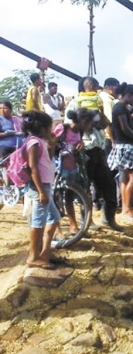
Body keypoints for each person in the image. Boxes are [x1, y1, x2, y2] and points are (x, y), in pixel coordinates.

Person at [22, 111, 62, 268]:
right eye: (49, 127)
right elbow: (33, 168)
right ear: (42, 128)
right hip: (39, 188)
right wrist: (41, 192)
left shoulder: (40, 142)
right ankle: (33, 257)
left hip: (45, 186)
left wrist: (51, 145)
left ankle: (45, 252)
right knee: (38, 223)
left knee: (54, 217)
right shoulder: (34, 143)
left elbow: (48, 162)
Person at [71, 108, 121, 231]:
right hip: (87, 153)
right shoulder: (78, 129)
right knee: (85, 189)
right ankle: (87, 220)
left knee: (109, 185)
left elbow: (106, 122)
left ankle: (109, 219)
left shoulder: (97, 125)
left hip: (99, 154)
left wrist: (99, 113)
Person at [106, 83, 133, 224]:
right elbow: (125, 127)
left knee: (124, 178)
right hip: (127, 145)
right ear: (128, 95)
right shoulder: (120, 108)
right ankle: (127, 208)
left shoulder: (119, 107)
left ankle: (125, 209)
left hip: (122, 145)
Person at [98, 77, 119, 154]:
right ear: (112, 87)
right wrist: (113, 140)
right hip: (107, 137)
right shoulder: (107, 100)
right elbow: (108, 122)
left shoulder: (100, 96)